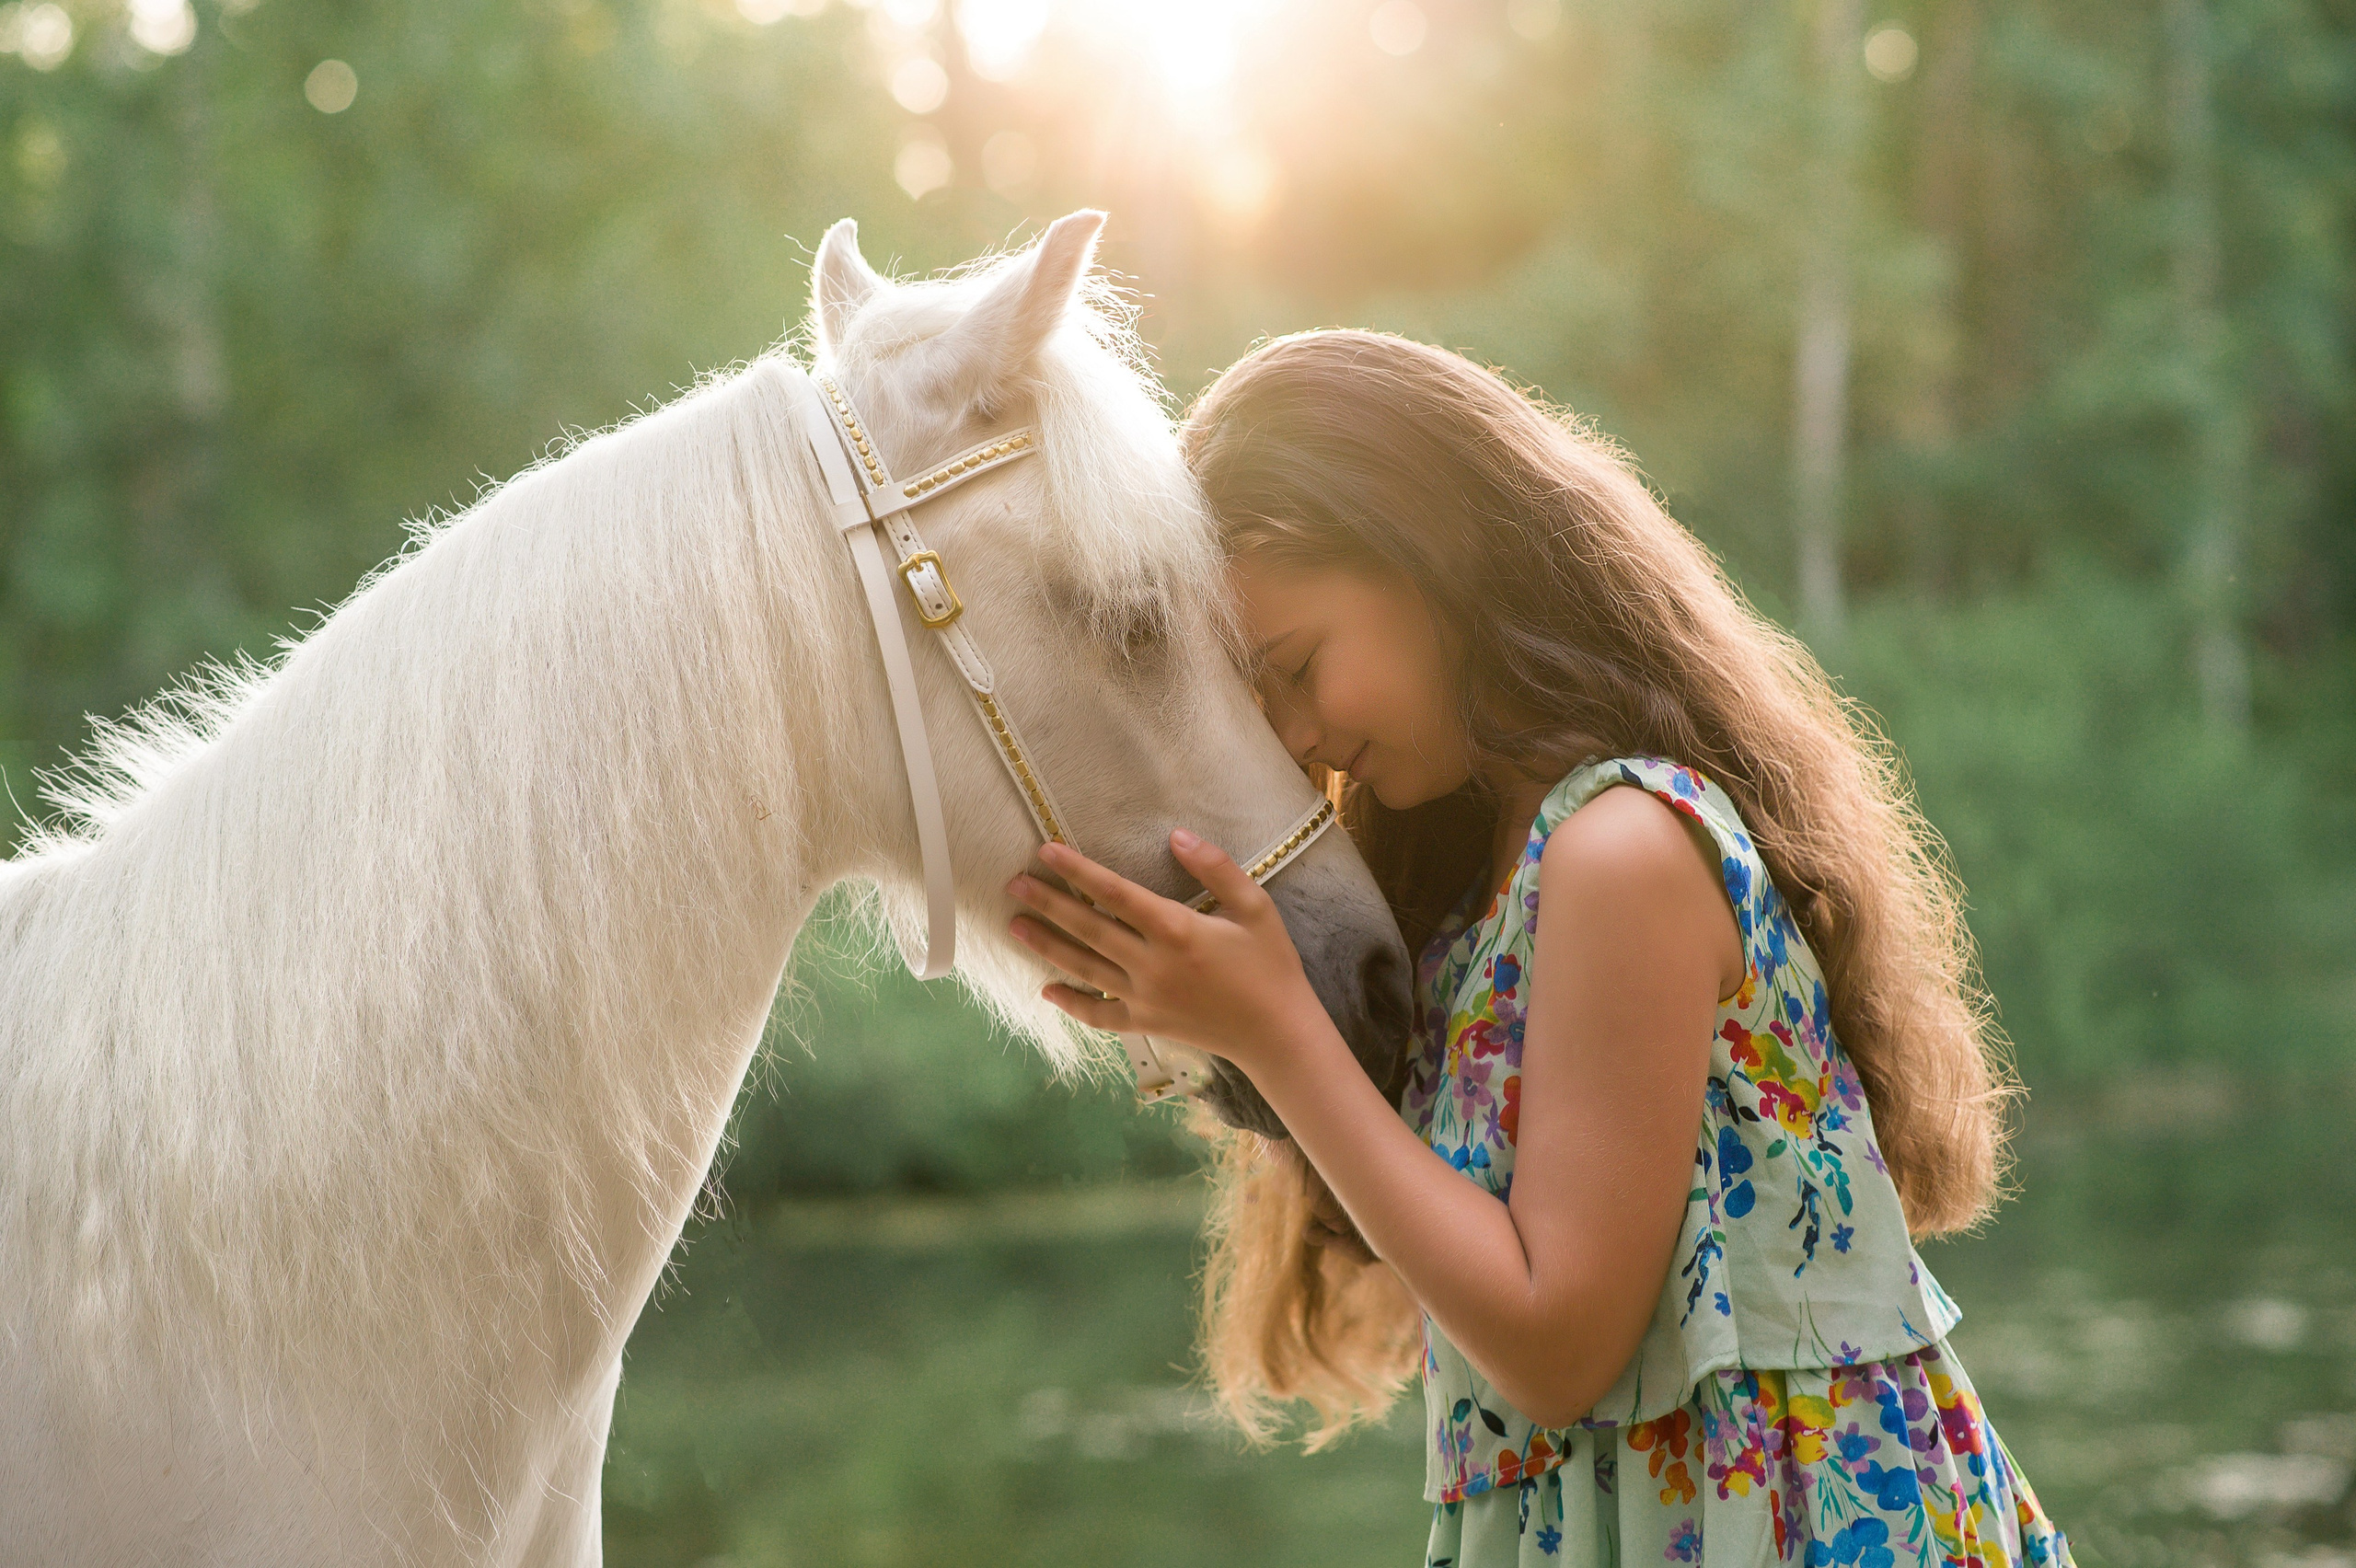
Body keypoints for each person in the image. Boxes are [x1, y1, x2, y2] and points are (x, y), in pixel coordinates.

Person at [1003, 329, 2070, 1566]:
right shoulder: (1466, 897)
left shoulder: (1622, 852)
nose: (1298, 738)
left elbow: (1560, 1349)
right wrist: (1218, 1017)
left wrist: (1279, 1035)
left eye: (1296, 669)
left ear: (1433, 554)